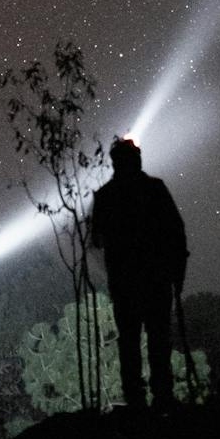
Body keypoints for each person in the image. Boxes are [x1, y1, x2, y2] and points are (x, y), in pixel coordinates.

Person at [90, 138, 188, 410]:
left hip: (125, 281)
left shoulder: (106, 196)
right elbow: (176, 232)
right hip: (155, 279)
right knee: (158, 339)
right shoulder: (155, 189)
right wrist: (177, 273)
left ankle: (136, 399)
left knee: (130, 341)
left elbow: (96, 240)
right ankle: (162, 397)